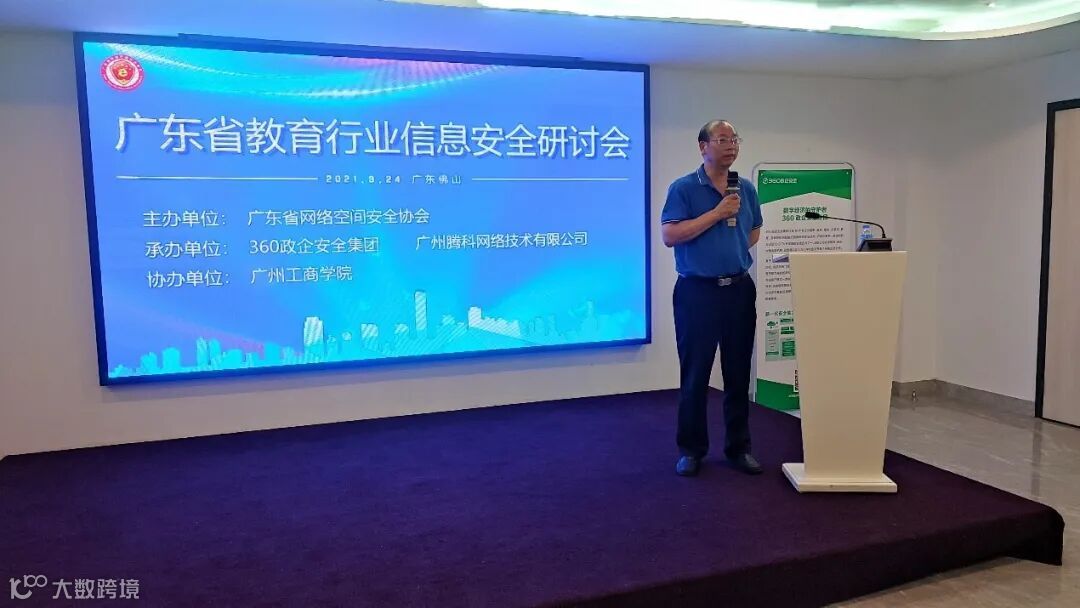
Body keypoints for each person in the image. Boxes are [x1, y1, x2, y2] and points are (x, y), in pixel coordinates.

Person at [660, 119, 763, 477]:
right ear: (703, 146)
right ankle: (691, 450)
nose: (731, 145)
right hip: (697, 292)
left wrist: (728, 251)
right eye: (722, 139)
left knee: (738, 373)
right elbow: (670, 235)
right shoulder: (684, 188)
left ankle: (739, 448)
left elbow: (754, 231)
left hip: (738, 289)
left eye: (734, 139)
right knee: (696, 374)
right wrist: (717, 215)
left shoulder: (745, 188)